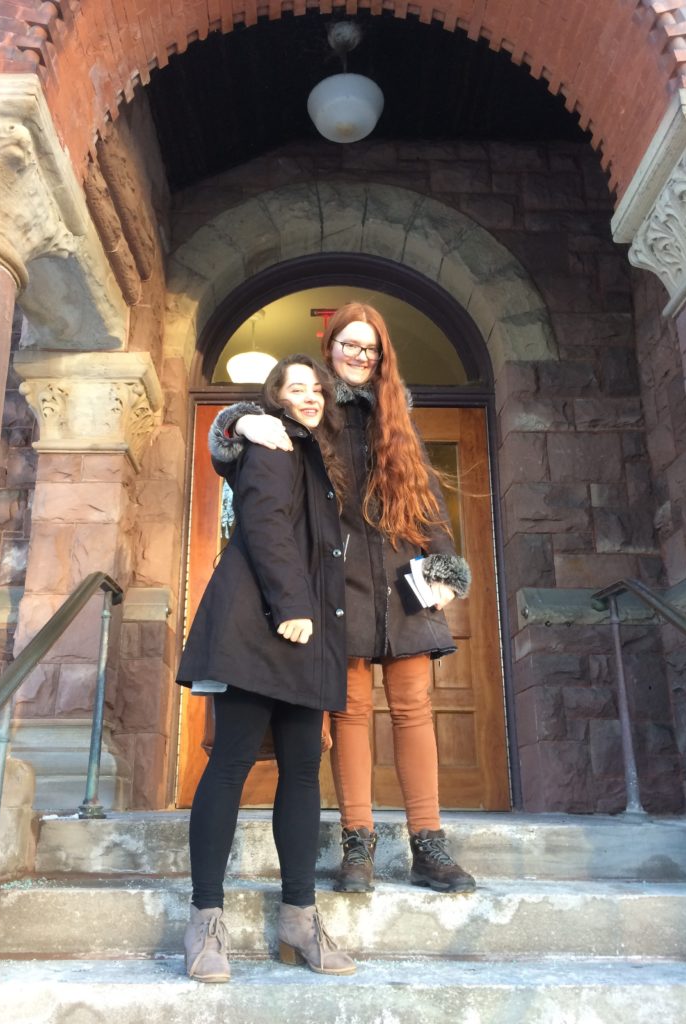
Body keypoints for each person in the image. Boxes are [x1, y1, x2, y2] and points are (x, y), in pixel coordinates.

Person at [209, 302, 475, 897]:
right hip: (336, 578)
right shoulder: (311, 409)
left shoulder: (396, 420)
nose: (359, 355)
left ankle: (428, 844)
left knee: (412, 706)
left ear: (381, 357)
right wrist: (236, 424)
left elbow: (428, 501)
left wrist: (445, 567)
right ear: (329, 348)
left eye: (370, 348)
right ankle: (358, 842)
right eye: (348, 345)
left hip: (403, 577)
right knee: (349, 708)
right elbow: (252, 422)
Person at [176, 354, 356, 984]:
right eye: (294, 387)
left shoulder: (318, 453)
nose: (308, 396)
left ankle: (299, 918)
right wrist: (293, 605)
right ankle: (204, 918)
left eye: (316, 388)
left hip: (303, 626)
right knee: (229, 762)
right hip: (264, 623)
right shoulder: (271, 438)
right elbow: (264, 524)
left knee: (304, 768)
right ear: (275, 398)